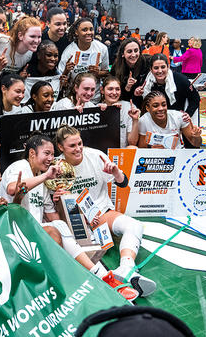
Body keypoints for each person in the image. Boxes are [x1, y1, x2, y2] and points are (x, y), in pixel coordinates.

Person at [0, 134, 142, 301]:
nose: (50, 158)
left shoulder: (45, 179)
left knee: (59, 225)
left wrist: (73, 213)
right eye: (46, 153)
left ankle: (108, 276)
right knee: (56, 228)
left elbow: (55, 217)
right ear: (32, 153)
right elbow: (12, 189)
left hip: (38, 230)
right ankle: (102, 277)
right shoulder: (21, 166)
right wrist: (46, 177)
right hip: (14, 232)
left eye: (52, 154)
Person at [53, 126, 157, 298]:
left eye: (80, 143)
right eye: (72, 146)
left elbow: (123, 183)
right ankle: (110, 285)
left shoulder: (95, 156)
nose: (78, 148)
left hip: (101, 214)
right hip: (77, 223)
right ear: (60, 147)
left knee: (135, 225)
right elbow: (52, 206)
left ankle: (126, 267)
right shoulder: (56, 167)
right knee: (88, 257)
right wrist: (57, 198)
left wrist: (116, 172)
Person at [0, 16, 42, 100]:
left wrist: (20, 76)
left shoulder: (29, 53)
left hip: (0, 100)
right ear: (20, 35)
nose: (36, 41)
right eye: (32, 36)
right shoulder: (0, 41)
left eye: (39, 37)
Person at [140, 53, 201, 125]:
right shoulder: (145, 82)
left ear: (168, 67)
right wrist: (137, 94)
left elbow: (195, 98)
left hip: (176, 120)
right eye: (156, 68)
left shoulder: (181, 80)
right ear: (151, 69)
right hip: (155, 120)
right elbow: (142, 103)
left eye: (163, 67)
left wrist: (188, 113)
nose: (160, 71)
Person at [58, 17, 109, 102]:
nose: (89, 33)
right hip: (74, 99)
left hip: (94, 99)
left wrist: (98, 73)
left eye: (91, 29)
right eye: (84, 30)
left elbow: (106, 72)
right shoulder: (69, 52)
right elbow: (60, 79)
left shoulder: (102, 48)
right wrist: (66, 71)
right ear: (76, 32)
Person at [138, 91, 202, 149]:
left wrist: (196, 136)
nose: (161, 108)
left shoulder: (179, 117)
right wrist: (152, 149)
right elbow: (142, 148)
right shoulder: (143, 121)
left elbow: (196, 144)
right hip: (156, 157)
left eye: (164, 105)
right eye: (155, 106)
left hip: (178, 154)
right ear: (147, 108)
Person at [0, 73, 25, 152]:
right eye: (18, 91)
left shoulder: (18, 110)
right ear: (3, 89)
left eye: (23, 92)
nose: (21, 96)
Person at [99, 76, 140, 148]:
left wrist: (135, 120)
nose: (114, 92)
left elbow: (132, 142)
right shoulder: (97, 108)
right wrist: (109, 113)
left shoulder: (128, 107)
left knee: (133, 148)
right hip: (102, 151)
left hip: (121, 152)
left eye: (117, 89)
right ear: (102, 90)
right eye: (110, 89)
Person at [111, 37, 151, 103]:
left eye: (136, 51)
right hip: (126, 102)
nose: (133, 55)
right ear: (123, 54)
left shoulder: (148, 61)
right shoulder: (117, 67)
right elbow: (117, 94)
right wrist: (127, 87)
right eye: (129, 51)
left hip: (145, 101)